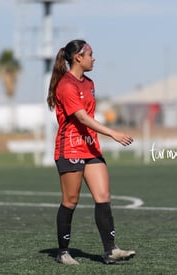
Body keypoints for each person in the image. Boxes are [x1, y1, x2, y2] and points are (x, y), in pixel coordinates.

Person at [47, 39, 136, 265]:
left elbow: (88, 120)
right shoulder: (66, 85)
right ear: (78, 57)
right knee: (70, 201)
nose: (93, 58)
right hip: (70, 148)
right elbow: (82, 118)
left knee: (103, 197)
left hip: (90, 147)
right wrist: (113, 133)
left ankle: (110, 250)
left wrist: (99, 137)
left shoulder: (89, 83)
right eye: (90, 54)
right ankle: (63, 252)